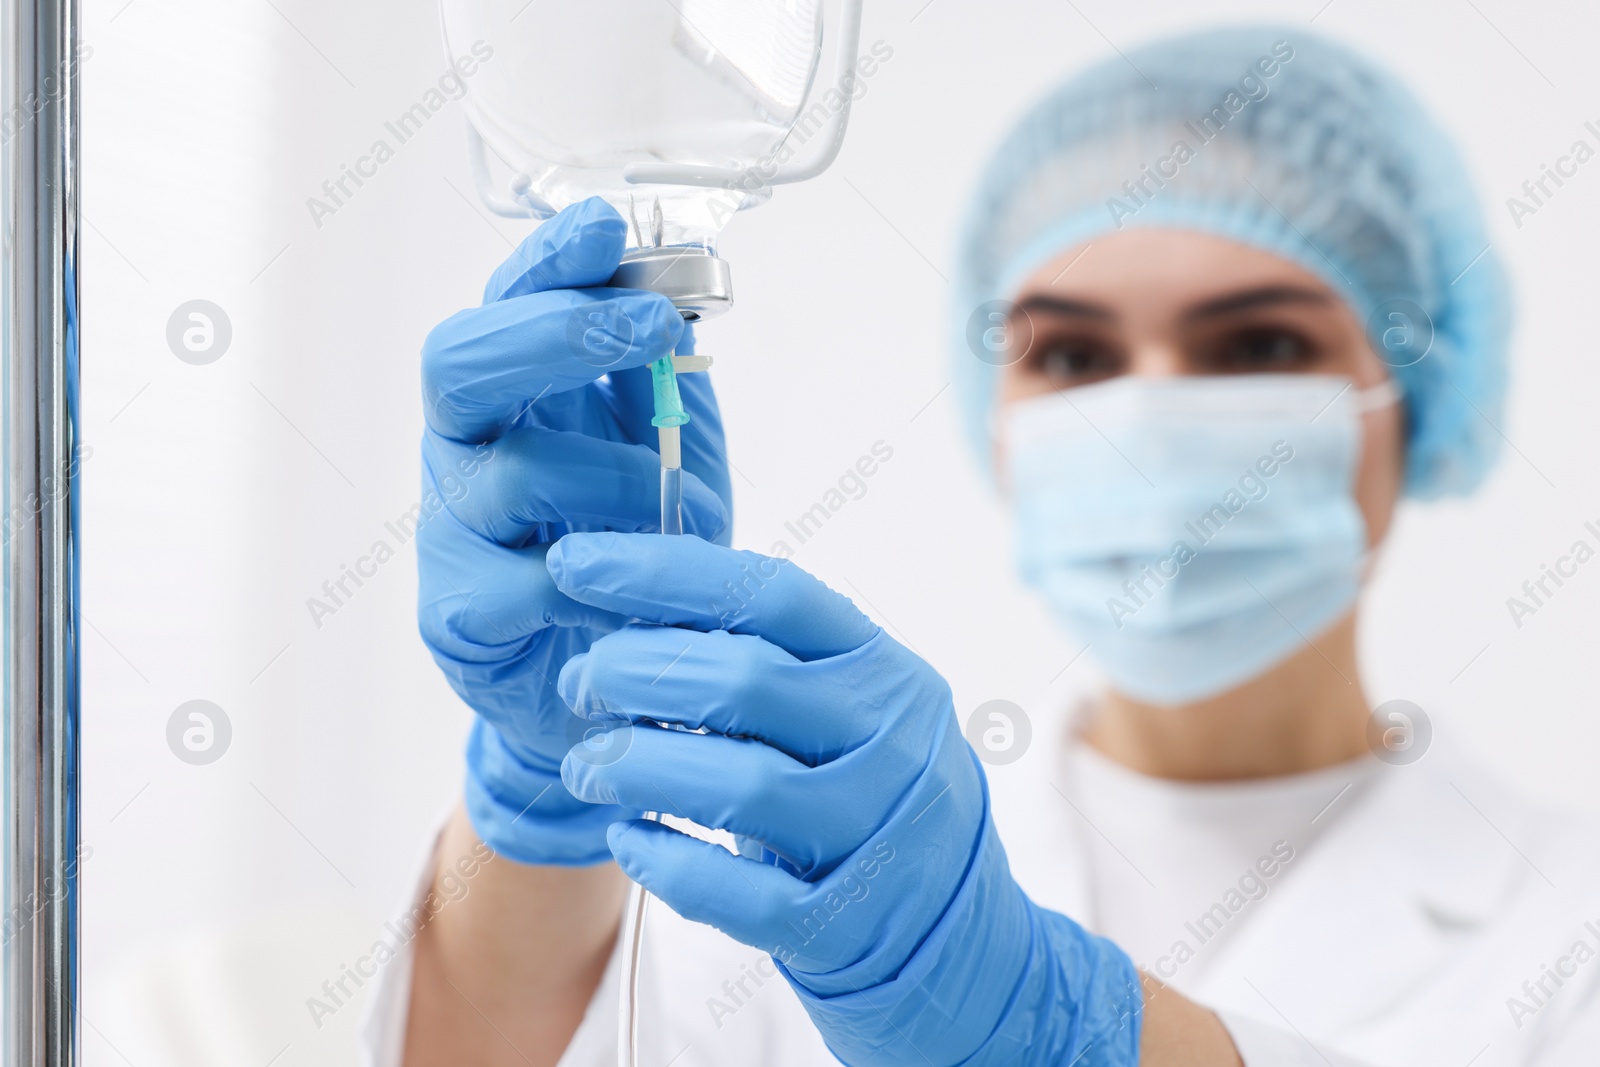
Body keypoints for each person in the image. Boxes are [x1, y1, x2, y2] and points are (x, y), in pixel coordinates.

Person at [365, 25, 1600, 1067]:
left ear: (1417, 399)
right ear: (996, 420)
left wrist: (1056, 1032)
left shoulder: (1567, 927)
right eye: (1071, 354)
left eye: (1258, 347)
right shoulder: (805, 829)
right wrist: (540, 791)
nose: (1148, 418)